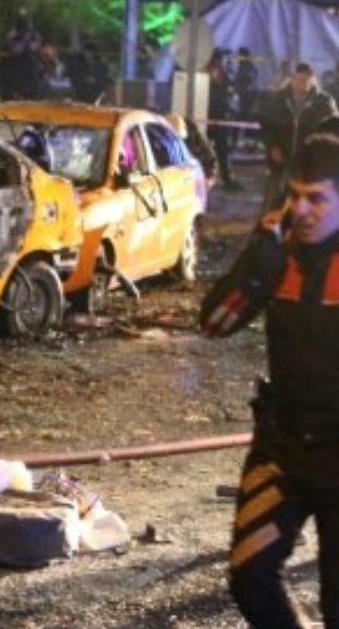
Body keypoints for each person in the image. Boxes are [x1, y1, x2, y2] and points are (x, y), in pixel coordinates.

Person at [200, 133, 339, 628]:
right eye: (294, 195)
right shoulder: (278, 257)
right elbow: (215, 323)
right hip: (283, 447)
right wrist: (258, 258)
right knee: (250, 578)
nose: (302, 209)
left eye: (317, 198)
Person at [261, 62, 339, 212]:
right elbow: (267, 125)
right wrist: (272, 145)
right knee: (273, 201)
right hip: (280, 161)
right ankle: (269, 232)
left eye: (306, 80)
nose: (302, 83)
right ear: (292, 79)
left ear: (312, 79)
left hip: (309, 163)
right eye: (299, 79)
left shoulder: (324, 103)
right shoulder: (279, 99)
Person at [207, 48, 237, 189]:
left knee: (221, 149)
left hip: (218, 116)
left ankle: (224, 178)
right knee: (219, 149)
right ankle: (223, 178)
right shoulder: (214, 71)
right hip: (213, 116)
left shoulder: (220, 72)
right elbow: (220, 93)